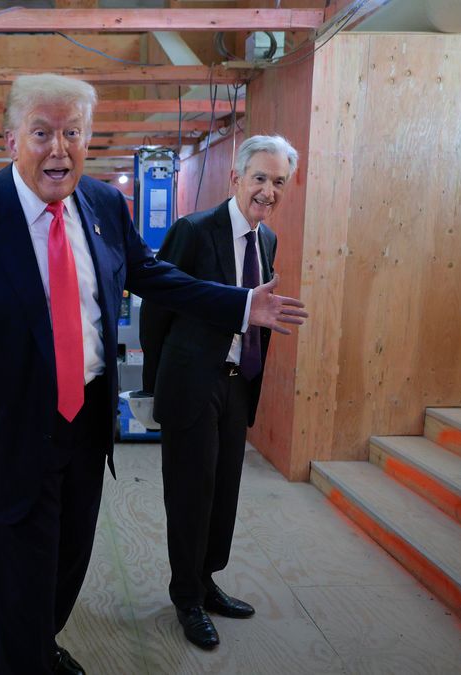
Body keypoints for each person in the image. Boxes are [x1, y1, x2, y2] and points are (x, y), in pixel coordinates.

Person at [0, 75, 307, 675]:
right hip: (7, 432)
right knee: (21, 587)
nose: (58, 149)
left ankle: (41, 643)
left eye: (72, 133)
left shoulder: (104, 205)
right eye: (42, 133)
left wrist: (243, 305)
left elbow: (156, 277)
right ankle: (27, 656)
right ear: (12, 139)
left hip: (87, 425)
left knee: (68, 564)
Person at [139, 134, 300, 651]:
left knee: (223, 491)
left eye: (279, 182)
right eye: (260, 178)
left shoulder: (267, 241)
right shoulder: (193, 231)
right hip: (191, 383)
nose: (268, 191)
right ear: (235, 179)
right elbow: (156, 310)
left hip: (237, 383)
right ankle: (185, 596)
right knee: (190, 492)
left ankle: (207, 582)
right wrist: (151, 388)